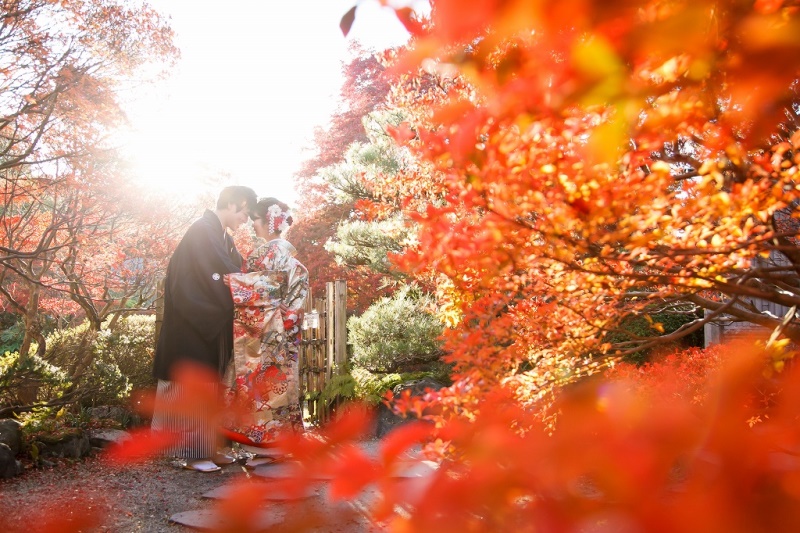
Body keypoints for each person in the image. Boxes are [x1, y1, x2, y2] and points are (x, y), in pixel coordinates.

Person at [151, 185, 258, 471]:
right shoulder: (202, 230)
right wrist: (239, 289)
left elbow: (233, 271)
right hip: (192, 322)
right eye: (245, 213)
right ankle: (192, 454)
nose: (245, 220)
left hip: (209, 322)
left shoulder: (222, 236)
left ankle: (210, 448)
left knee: (212, 385)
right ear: (235, 204)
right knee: (194, 385)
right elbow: (214, 275)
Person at [222, 197, 309, 448]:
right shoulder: (287, 254)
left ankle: (266, 443)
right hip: (285, 325)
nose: (252, 225)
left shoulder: (269, 253)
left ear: (270, 222)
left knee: (262, 387)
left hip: (266, 327)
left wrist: (238, 283)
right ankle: (283, 441)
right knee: (282, 387)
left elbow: (266, 288)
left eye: (256, 220)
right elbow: (289, 293)